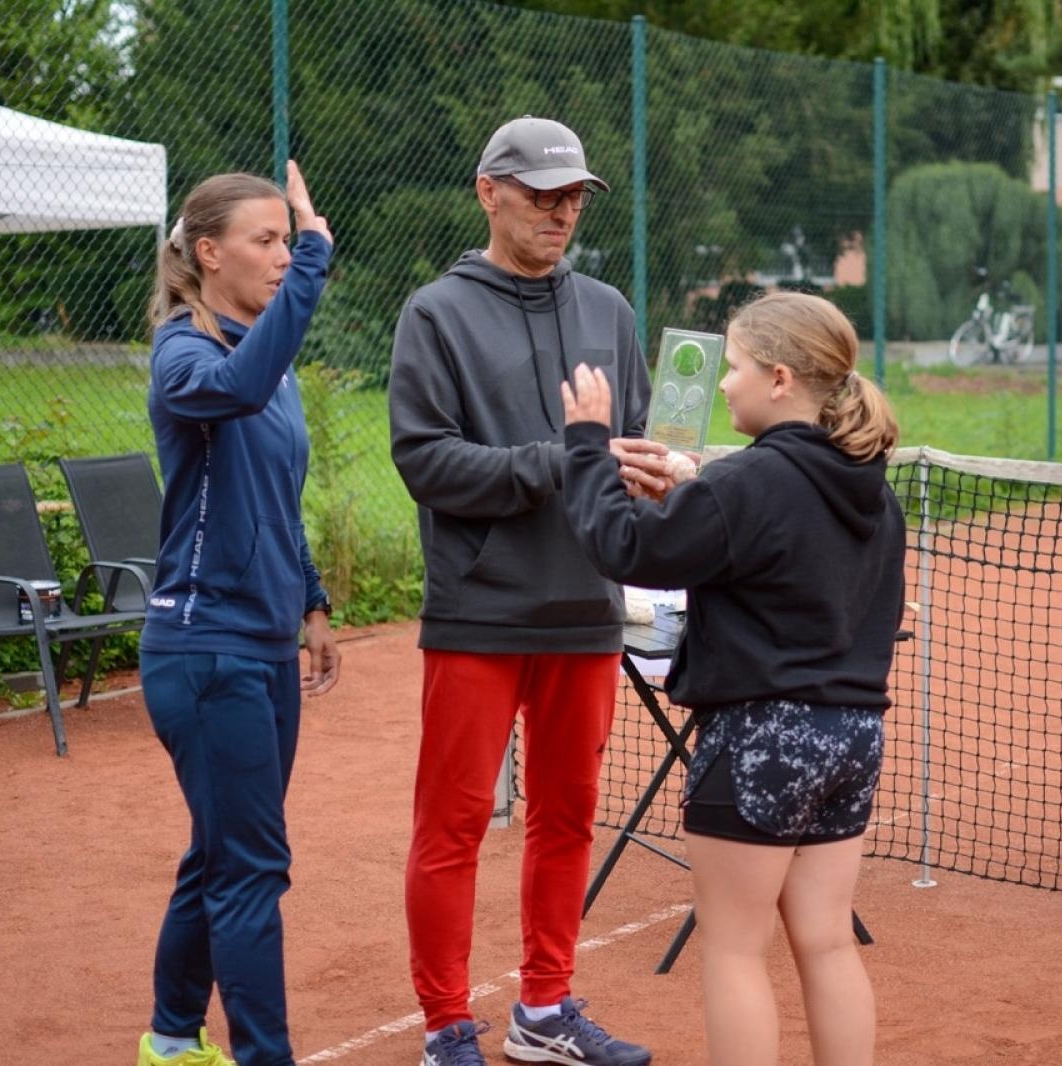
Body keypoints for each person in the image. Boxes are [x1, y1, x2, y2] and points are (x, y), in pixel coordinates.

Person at [558, 291, 906, 1066]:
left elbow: (623, 548)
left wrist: (586, 447)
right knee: (824, 943)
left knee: (735, 949)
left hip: (759, 739)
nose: (723, 383)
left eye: (738, 366)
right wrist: (690, 486)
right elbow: (769, 540)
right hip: (852, 736)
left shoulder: (747, 484)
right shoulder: (872, 491)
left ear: (780, 378)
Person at [388, 115, 668, 1066]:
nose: (560, 212)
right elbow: (426, 462)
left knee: (567, 819)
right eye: (542, 195)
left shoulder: (611, 311)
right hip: (479, 609)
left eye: (573, 197)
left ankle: (544, 1012)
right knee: (454, 825)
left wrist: (653, 472)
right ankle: (443, 1027)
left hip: (585, 606)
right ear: (489, 191)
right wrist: (560, 462)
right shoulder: (435, 314)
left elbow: (623, 444)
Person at [135, 161, 341, 1066]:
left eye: (287, 241)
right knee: (252, 868)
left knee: (222, 855)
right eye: (266, 240)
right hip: (202, 646)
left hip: (261, 644)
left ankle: (174, 1040)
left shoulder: (269, 363)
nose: (281, 255)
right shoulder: (185, 355)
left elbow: (275, 502)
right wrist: (317, 262)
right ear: (208, 253)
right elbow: (245, 386)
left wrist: (313, 603)